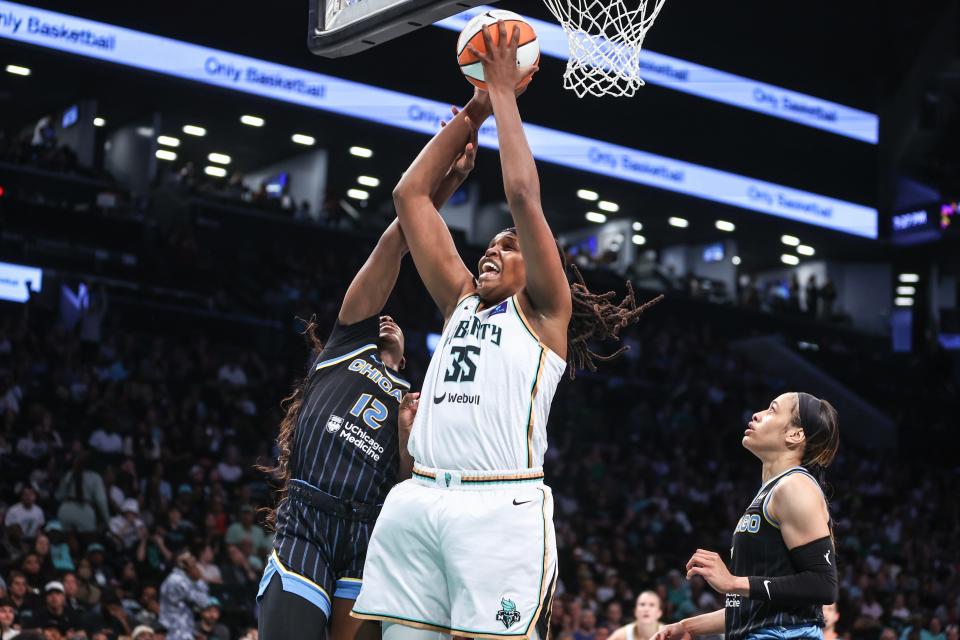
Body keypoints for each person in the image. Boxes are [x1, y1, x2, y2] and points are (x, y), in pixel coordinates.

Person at [353, 21, 659, 640]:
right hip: (420, 499)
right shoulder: (460, 301)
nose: (493, 249)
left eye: (509, 247)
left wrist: (504, 97)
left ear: (540, 268)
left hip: (498, 506)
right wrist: (471, 112)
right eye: (490, 244)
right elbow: (411, 195)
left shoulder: (545, 313)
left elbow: (523, 193)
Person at [257, 142, 478, 640]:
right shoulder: (344, 344)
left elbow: (406, 483)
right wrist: (450, 180)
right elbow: (397, 243)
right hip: (308, 519)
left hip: (369, 534)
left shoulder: (415, 397)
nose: (390, 320)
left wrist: (405, 439)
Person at [651, 392, 840, 640]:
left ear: (795, 434)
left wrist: (733, 583)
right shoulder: (771, 492)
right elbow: (756, 609)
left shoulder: (794, 486)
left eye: (772, 410)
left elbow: (823, 585)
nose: (757, 414)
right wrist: (687, 627)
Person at [159, 551, 209, 640]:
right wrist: (199, 580)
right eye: (192, 563)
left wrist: (194, 633)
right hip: (174, 633)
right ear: (185, 565)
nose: (197, 567)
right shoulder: (177, 581)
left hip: (182, 631)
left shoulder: (185, 580)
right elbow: (203, 602)